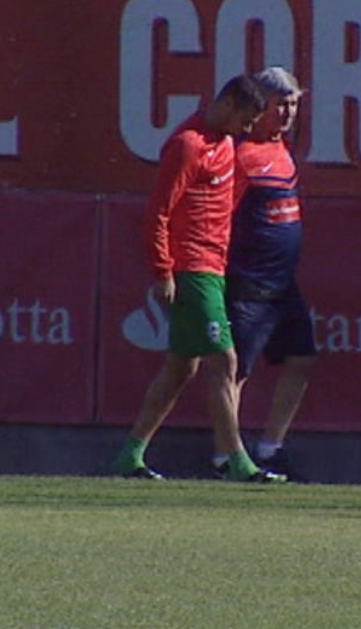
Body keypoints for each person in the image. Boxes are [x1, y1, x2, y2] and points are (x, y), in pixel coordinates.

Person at [112, 74, 287, 483]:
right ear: (227, 105)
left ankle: (129, 455)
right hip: (190, 269)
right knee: (224, 361)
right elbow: (158, 212)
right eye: (245, 121)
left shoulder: (225, 144)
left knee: (180, 370)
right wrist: (162, 271)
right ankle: (236, 461)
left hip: (213, 268)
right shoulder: (187, 145)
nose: (247, 131)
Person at [219, 66, 316, 480]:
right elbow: (220, 215)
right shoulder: (240, 154)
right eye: (281, 104)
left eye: (294, 103)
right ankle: (228, 456)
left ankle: (271, 448)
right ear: (260, 107)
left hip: (282, 285)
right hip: (249, 283)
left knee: (301, 359)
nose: (289, 112)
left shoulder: (283, 148)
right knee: (235, 371)